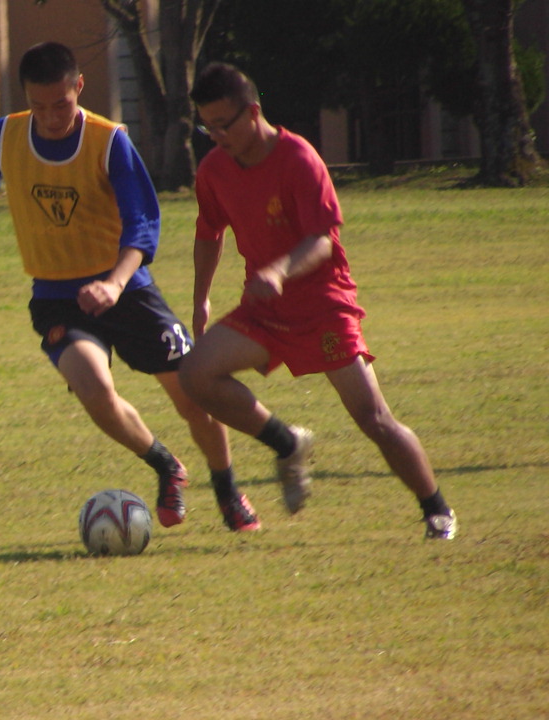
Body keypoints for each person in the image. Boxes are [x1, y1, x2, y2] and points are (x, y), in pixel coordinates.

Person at [0, 42, 259, 533]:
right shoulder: (4, 135)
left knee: (194, 396)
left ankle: (227, 489)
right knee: (93, 388)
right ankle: (166, 466)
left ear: (79, 87)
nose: (49, 118)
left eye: (60, 104)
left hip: (129, 293)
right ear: (23, 96)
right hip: (56, 297)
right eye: (38, 105)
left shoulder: (109, 142)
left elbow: (142, 226)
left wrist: (113, 282)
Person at [179, 62, 457, 540]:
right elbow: (209, 232)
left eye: (225, 124)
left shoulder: (298, 159)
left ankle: (437, 509)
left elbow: (323, 240)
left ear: (254, 111)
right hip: (265, 312)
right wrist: (201, 299)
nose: (218, 135)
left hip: (323, 307)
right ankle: (287, 444)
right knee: (194, 375)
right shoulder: (214, 169)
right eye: (209, 127)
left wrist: (278, 269)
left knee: (374, 419)